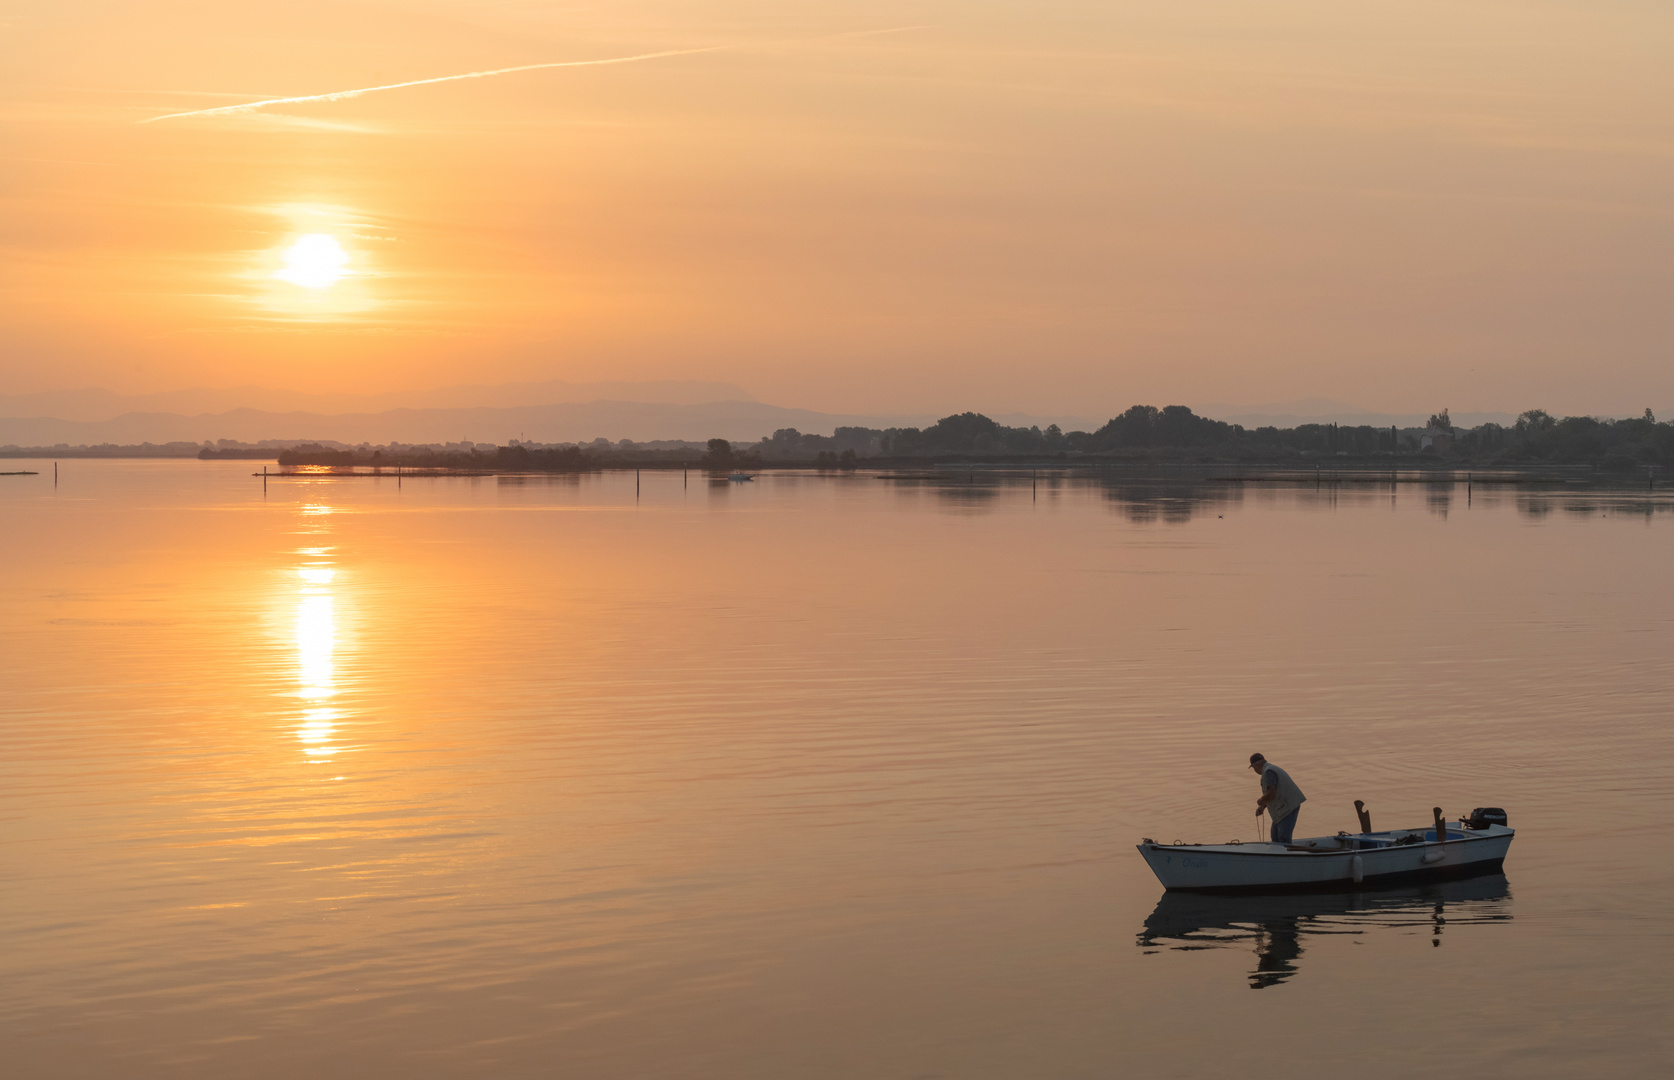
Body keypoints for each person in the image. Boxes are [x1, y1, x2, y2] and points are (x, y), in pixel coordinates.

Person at [1250, 753, 1306, 844]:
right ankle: (1278, 855)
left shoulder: (1268, 772)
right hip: (1282, 807)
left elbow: (1271, 793)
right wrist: (1262, 807)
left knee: (1283, 837)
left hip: (1288, 807)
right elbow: (1271, 794)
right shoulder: (1267, 771)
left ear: (1256, 764)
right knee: (1275, 835)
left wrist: (1261, 800)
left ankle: (1285, 856)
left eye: (1253, 767)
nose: (1254, 770)